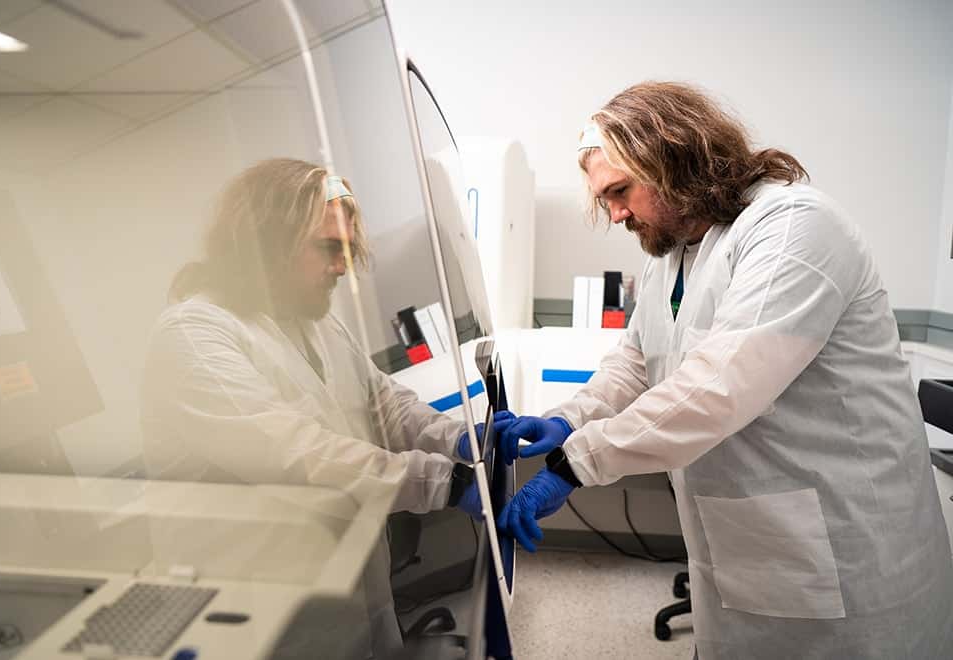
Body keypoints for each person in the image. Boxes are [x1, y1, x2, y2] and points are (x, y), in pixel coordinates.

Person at [496, 82, 953, 658]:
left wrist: (576, 463)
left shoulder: (793, 227)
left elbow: (720, 387)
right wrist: (567, 419)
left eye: (620, 191)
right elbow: (636, 363)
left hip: (845, 549)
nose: (614, 214)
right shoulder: (675, 255)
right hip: (748, 533)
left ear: (672, 159)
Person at [140, 158, 512, 658]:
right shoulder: (195, 335)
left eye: (347, 249)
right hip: (255, 605)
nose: (342, 266)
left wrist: (459, 437)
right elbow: (296, 455)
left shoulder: (314, 322)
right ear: (265, 242)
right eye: (328, 248)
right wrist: (446, 482)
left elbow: (385, 403)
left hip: (346, 576)